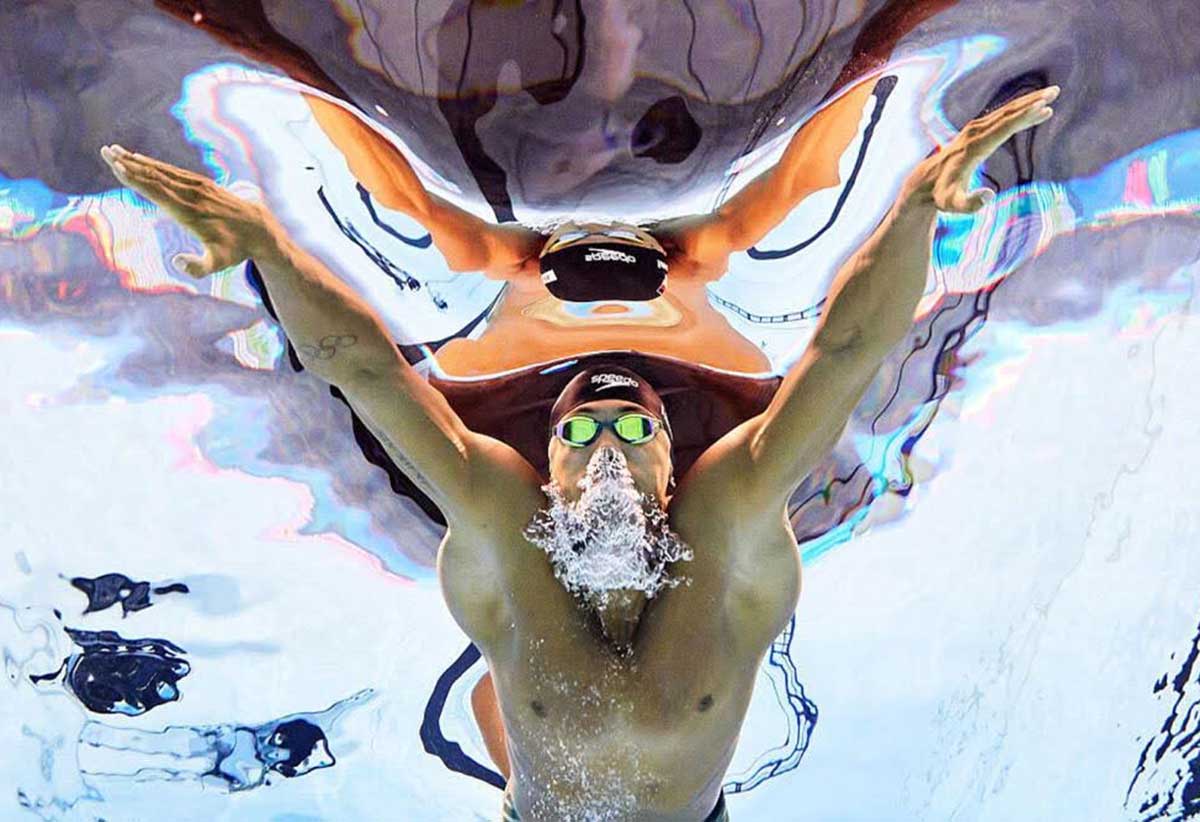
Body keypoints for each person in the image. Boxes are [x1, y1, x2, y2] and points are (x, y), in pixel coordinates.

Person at [101, 83, 1058, 820]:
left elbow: (847, 356)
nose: (607, 445)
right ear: (545, 462)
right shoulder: (501, 518)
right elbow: (360, 368)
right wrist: (268, 242)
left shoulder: (728, 516)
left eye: (634, 426)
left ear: (673, 460)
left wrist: (917, 209)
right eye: (585, 430)